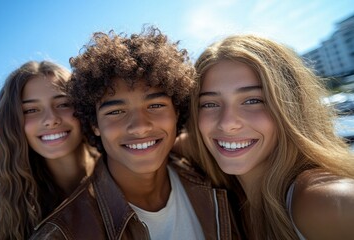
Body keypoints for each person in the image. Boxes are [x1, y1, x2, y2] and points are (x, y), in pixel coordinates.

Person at [30, 27, 238, 240]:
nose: (140, 126)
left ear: (177, 111)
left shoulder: (219, 180)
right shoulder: (62, 235)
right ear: (95, 124)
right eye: (116, 111)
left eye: (155, 105)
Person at [185, 34, 354, 239]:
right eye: (210, 104)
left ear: (290, 107)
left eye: (252, 100)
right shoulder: (227, 191)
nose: (228, 123)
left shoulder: (326, 202)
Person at [0, 61, 97, 239]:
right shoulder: (11, 202)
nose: (50, 119)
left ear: (82, 107)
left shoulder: (119, 170)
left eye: (63, 104)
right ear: (13, 124)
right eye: (31, 110)